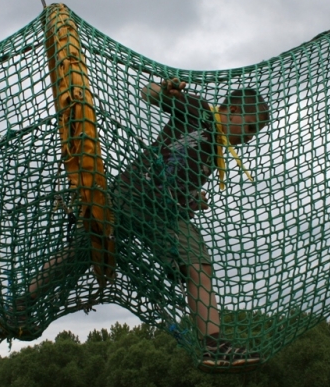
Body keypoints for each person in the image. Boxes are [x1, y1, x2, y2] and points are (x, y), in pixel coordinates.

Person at [20, 77, 270, 367]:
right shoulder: (199, 110)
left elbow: (177, 173)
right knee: (82, 252)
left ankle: (214, 344)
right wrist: (164, 89)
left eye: (256, 132)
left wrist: (193, 198)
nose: (251, 137)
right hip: (133, 194)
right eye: (251, 127)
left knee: (198, 265)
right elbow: (148, 93)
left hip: (164, 214)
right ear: (233, 111)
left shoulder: (216, 152)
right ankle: (23, 302)